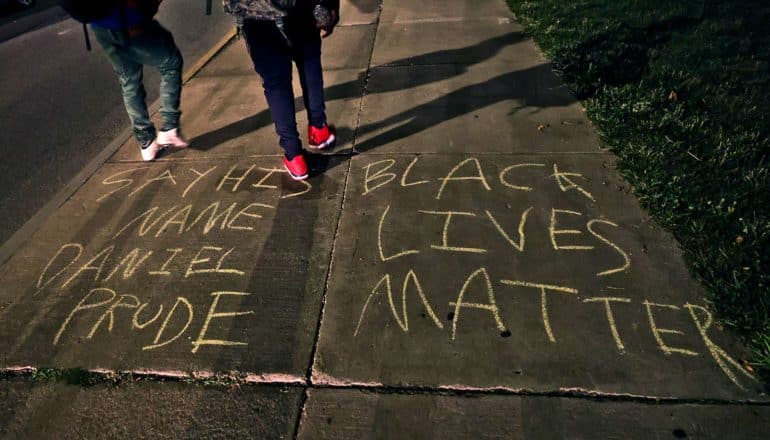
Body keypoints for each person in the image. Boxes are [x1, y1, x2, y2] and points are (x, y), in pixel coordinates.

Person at [223, 0, 339, 180]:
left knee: (276, 83)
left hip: (255, 14)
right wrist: (330, 6)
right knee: (309, 61)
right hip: (299, 8)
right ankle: (319, 129)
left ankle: (294, 156)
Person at [88, 0, 189, 161]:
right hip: (128, 21)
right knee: (171, 62)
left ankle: (146, 142)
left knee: (129, 80)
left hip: (99, 25)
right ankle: (169, 128)